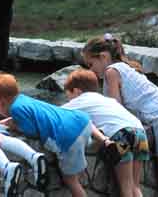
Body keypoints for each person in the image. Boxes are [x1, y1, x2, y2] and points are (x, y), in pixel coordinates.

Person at [82, 34, 158, 197]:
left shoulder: (112, 72)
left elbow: (114, 107)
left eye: (90, 64)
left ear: (103, 57)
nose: (90, 70)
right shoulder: (127, 67)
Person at [0, 72, 110, 197]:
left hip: (68, 138)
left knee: (70, 180)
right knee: (75, 170)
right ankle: (80, 172)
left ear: (0, 101)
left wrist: (13, 125)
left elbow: (31, 130)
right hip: (82, 123)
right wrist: (11, 121)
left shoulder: (15, 109)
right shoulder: (22, 100)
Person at [63, 69, 150, 197]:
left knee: (125, 187)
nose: (69, 99)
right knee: (134, 186)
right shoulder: (107, 100)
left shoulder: (78, 101)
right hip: (140, 132)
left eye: (68, 95)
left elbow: (55, 114)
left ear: (76, 91)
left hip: (121, 134)